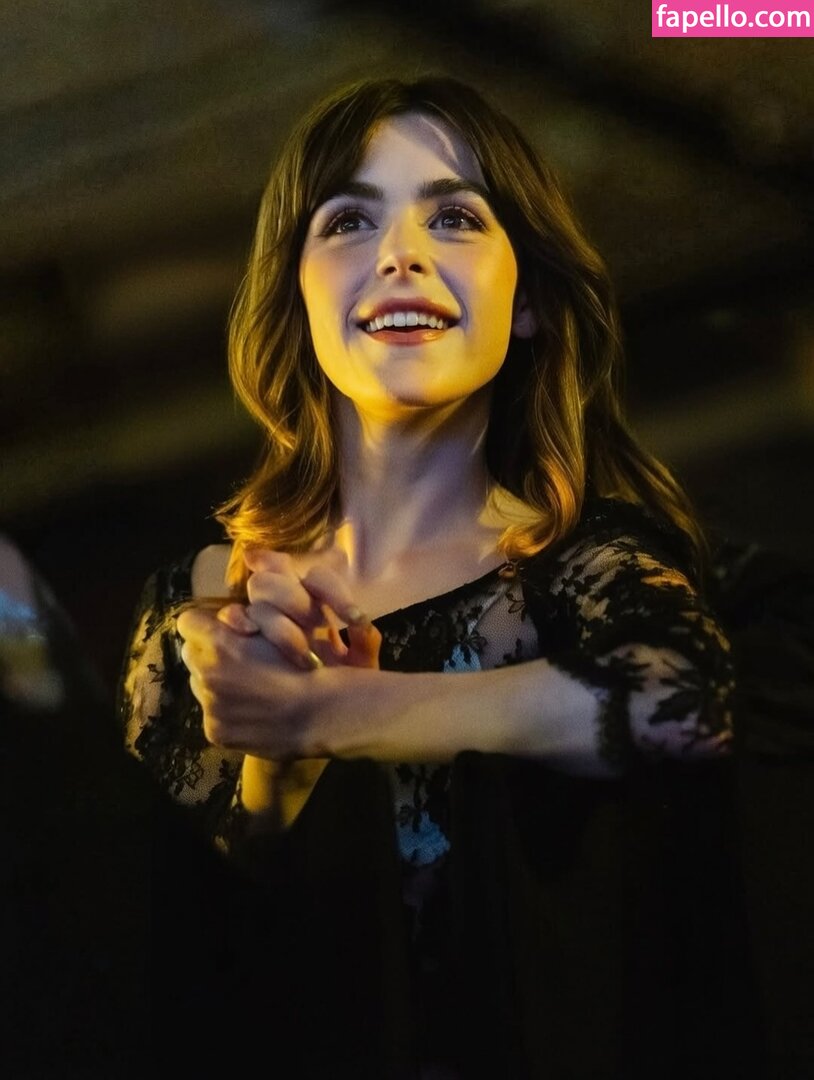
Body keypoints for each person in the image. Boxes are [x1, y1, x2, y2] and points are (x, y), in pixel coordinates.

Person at [118, 76, 754, 1079]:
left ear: (529, 300)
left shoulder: (584, 565)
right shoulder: (193, 601)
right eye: (348, 221)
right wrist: (278, 764)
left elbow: (691, 704)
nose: (400, 253)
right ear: (297, 297)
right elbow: (167, 971)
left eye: (454, 216)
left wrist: (341, 711)